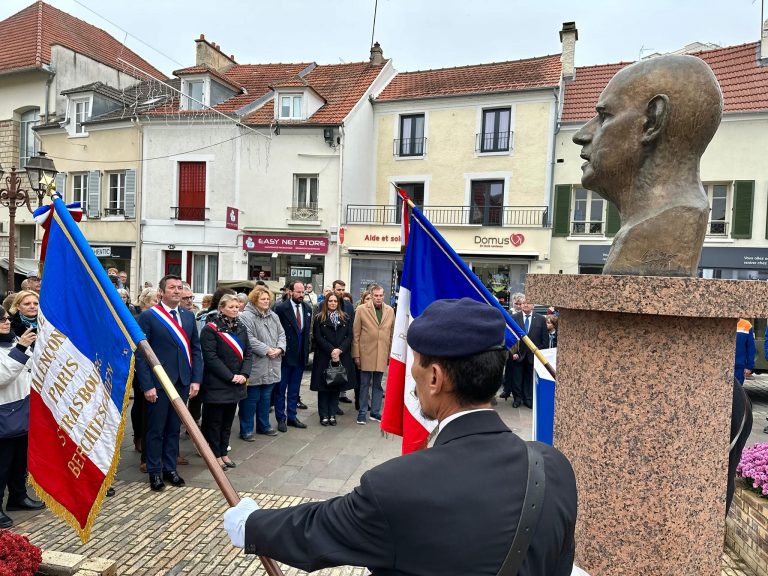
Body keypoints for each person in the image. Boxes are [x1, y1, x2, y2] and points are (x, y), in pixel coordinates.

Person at [223, 298, 578, 575]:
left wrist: (250, 523)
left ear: (435, 377)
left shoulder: (399, 485)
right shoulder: (554, 467)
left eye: (415, 364)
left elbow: (315, 531)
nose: (412, 374)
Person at [572, 55, 722, 276]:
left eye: (604, 117)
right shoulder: (643, 227)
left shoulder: (673, 220)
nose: (580, 135)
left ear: (652, 121)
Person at [135, 274, 203, 492]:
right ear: (161, 293)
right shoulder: (149, 317)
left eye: (179, 287)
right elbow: (141, 355)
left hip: (182, 381)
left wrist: (195, 379)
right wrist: (147, 385)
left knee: (174, 428)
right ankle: (155, 472)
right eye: (172, 287)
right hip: (159, 383)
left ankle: (170, 469)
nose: (177, 290)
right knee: (156, 429)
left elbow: (195, 350)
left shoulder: (189, 316)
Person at [0, 308, 44, 529]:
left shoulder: (14, 340)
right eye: (1, 319)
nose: (6, 321)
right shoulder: (17, 344)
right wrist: (21, 348)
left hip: (22, 408)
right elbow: (2, 376)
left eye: (7, 318)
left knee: (19, 462)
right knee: (2, 464)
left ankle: (18, 497)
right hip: (4, 412)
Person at [200, 294, 252, 470]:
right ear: (221, 308)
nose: (235, 310)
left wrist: (244, 374)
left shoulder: (241, 327)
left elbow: (248, 354)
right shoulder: (211, 329)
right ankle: (214, 455)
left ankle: (223, 452)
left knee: (228, 422)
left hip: (236, 383)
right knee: (214, 423)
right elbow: (211, 357)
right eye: (231, 307)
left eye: (237, 307)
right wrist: (230, 376)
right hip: (217, 383)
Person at [238, 286, 285, 439]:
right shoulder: (246, 316)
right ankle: (246, 430)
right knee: (250, 399)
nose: (266, 301)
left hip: (272, 363)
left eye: (267, 299)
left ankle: (264, 426)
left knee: (266, 398)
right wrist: (267, 350)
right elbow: (249, 338)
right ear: (254, 300)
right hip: (256, 364)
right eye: (262, 299)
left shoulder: (273, 316)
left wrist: (279, 348)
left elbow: (282, 334)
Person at [310, 293, 355, 426]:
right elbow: (318, 337)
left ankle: (332, 414)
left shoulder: (345, 317)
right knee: (323, 387)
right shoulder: (319, 318)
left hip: (340, 356)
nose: (333, 303)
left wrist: (339, 350)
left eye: (335, 301)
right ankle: (323, 415)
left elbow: (349, 336)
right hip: (324, 357)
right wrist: (331, 350)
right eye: (330, 301)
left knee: (336, 385)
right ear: (326, 302)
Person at [352, 284, 394, 424]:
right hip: (365, 353)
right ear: (371, 295)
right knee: (364, 384)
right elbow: (356, 334)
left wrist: (390, 354)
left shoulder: (390, 310)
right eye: (376, 295)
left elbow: (392, 334)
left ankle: (375, 412)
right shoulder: (361, 309)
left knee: (378, 385)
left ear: (384, 295)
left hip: (382, 353)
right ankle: (362, 413)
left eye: (381, 295)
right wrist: (356, 354)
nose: (378, 298)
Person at [273, 281, 312, 432]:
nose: (301, 295)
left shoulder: (307, 308)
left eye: (303, 292)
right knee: (281, 389)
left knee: (295, 389)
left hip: (300, 356)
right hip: (286, 355)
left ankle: (292, 416)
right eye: (298, 292)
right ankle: (281, 418)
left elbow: (307, 332)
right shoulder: (281, 308)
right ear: (290, 292)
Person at [510, 295, 549, 408]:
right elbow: (511, 337)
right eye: (524, 303)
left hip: (534, 356)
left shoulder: (541, 319)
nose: (526, 304)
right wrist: (513, 353)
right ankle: (517, 399)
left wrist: (540, 354)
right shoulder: (514, 318)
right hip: (518, 354)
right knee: (517, 378)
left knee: (529, 378)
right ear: (521, 305)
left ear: (533, 305)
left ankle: (528, 399)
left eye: (529, 303)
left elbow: (544, 339)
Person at [735, 318, 755, 385]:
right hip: (723, 365)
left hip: (739, 367)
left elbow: (751, 348)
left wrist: (749, 366)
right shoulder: (722, 322)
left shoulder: (747, 325)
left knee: (737, 392)